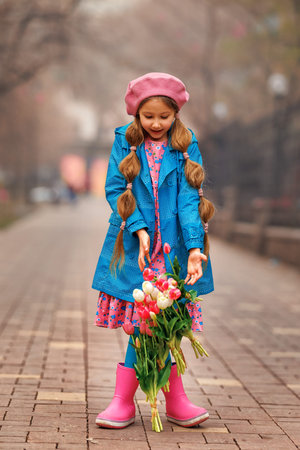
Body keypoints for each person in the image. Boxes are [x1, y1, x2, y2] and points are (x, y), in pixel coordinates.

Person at [92, 72, 215, 429]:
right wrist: (139, 229)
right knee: (144, 324)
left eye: (165, 116)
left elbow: (191, 197)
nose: (157, 123)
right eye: (149, 117)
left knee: (165, 321)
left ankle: (145, 401)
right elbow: (116, 188)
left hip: (173, 251)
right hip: (137, 251)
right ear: (136, 115)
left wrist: (194, 247)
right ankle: (148, 400)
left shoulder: (186, 144)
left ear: (176, 113)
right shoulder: (124, 142)